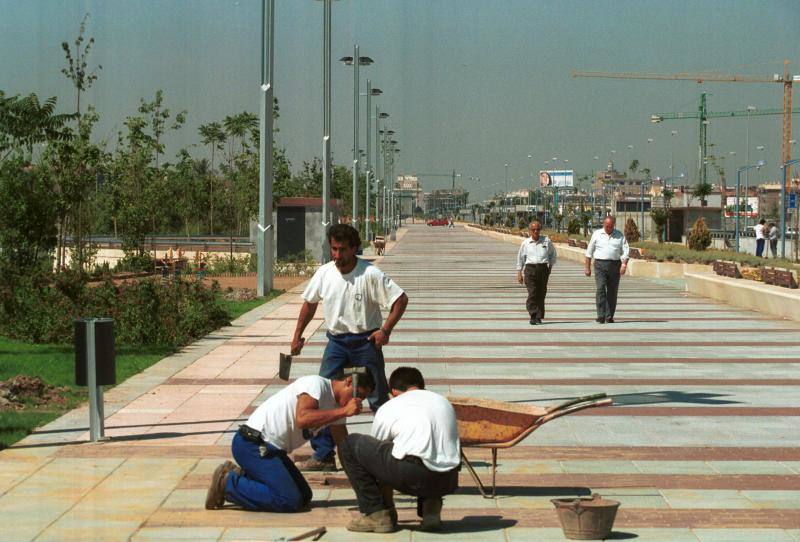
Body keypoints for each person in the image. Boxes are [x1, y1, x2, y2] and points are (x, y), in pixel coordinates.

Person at [291, 224, 409, 471]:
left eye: (342, 250)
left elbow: (400, 299)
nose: (337, 255)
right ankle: (323, 455)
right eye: (333, 249)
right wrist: (297, 336)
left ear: (355, 248)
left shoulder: (370, 274)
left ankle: (398, 453)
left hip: (366, 342)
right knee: (323, 397)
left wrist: (385, 330)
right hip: (336, 343)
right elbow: (309, 304)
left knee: (378, 398)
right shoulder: (324, 273)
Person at [205, 372, 374, 512]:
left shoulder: (338, 410)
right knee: (289, 500)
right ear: (348, 381)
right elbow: (302, 418)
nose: (358, 401)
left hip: (272, 450)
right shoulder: (316, 385)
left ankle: (244, 475)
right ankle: (227, 483)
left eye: (363, 398)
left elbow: (344, 449)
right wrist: (343, 411)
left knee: (304, 497)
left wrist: (361, 487)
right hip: (252, 444)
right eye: (357, 394)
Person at [339, 367, 460, 533]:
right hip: (449, 479)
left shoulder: (391, 406)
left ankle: (376, 514)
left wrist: (387, 505)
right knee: (428, 448)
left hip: (412, 474)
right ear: (421, 386)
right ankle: (431, 509)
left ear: (394, 391)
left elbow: (376, 462)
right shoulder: (443, 402)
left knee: (350, 444)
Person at [585, 216, 630, 324]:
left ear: (613, 225)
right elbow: (589, 252)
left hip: (615, 265)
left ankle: (609, 316)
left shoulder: (619, 235)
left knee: (612, 292)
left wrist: (624, 264)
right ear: (603, 224)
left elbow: (626, 251)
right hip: (600, 265)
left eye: (610, 226)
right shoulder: (597, 234)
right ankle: (601, 315)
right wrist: (587, 267)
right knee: (600, 289)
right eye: (606, 226)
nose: (608, 228)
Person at [516, 220, 556, 325]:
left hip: (543, 269)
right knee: (532, 292)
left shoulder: (546, 241)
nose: (536, 231)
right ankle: (533, 314)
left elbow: (553, 254)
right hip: (530, 269)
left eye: (538, 229)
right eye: (533, 229)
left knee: (541, 293)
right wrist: (519, 273)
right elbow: (521, 258)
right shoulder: (525, 243)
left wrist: (550, 266)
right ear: (529, 231)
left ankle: (538, 316)